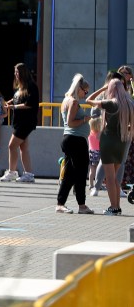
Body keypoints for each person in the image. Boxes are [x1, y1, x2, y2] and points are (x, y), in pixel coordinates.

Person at [86, 77, 134, 215]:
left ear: (111, 89)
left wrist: (102, 88)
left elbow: (89, 100)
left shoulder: (110, 103)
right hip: (122, 142)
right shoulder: (129, 103)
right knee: (115, 179)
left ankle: (113, 208)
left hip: (108, 141)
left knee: (109, 179)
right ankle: (117, 207)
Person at [56, 74, 95, 214]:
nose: (86, 94)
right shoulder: (73, 102)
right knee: (80, 173)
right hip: (75, 140)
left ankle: (61, 203)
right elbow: (72, 123)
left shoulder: (66, 100)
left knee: (70, 174)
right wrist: (85, 119)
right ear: (79, 89)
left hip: (70, 139)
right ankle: (81, 205)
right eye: (85, 91)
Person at [0, 63, 40, 183]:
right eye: (15, 72)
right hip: (18, 122)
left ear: (23, 72)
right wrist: (8, 102)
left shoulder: (32, 86)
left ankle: (12, 172)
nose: (15, 74)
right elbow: (17, 98)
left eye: (17, 72)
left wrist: (14, 106)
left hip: (26, 122)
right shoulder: (20, 87)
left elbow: (29, 104)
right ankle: (28, 174)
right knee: (23, 148)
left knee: (12, 145)